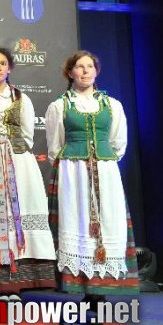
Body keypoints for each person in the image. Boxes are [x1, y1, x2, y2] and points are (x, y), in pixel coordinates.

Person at [0, 48, 56, 301]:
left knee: (19, 217)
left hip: (19, 163)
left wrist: (11, 150)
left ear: (10, 68)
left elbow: (27, 134)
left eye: (3, 63)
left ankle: (17, 285)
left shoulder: (21, 98)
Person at [45, 50, 139, 298]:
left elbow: (119, 143)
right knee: (76, 220)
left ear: (97, 71)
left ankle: (101, 285)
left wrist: (103, 162)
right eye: (79, 66)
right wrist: (73, 164)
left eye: (90, 66)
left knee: (107, 221)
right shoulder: (60, 105)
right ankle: (77, 281)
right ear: (70, 72)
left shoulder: (112, 105)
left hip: (105, 171)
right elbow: (55, 146)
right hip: (72, 171)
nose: (85, 71)